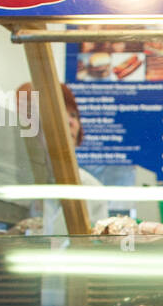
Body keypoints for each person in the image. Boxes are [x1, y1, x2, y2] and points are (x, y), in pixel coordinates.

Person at [13, 81, 109, 235]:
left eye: (74, 115)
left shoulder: (90, 188)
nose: (70, 122)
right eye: (59, 112)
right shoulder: (15, 177)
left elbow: (97, 247)